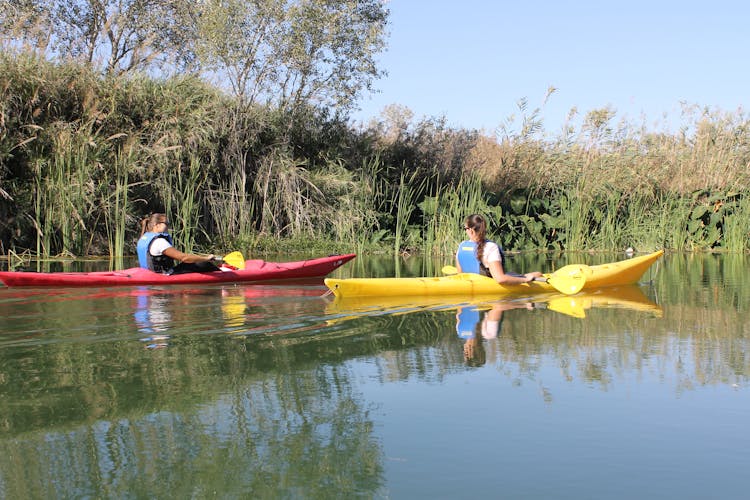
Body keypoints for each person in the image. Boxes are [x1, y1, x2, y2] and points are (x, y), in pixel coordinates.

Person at [456, 213, 543, 285]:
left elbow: (459, 274)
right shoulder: (490, 247)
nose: (466, 231)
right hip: (487, 285)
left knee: (516, 274)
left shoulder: (462, 246)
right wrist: (525, 280)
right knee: (538, 274)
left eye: (465, 229)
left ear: (471, 230)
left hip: (467, 283)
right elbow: (500, 279)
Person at [137, 213, 219, 275]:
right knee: (202, 263)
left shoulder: (144, 238)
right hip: (164, 275)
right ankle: (223, 275)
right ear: (157, 225)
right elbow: (184, 258)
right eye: (166, 224)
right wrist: (206, 258)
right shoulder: (159, 242)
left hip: (149, 273)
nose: (168, 226)